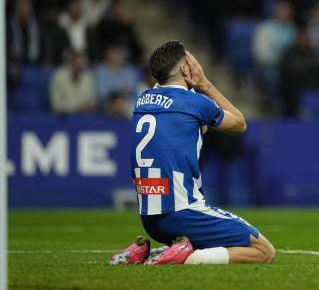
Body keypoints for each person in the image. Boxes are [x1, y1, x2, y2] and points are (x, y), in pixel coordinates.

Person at [110, 41, 275, 265]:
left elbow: (185, 125)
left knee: (208, 240)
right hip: (183, 213)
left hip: (150, 219)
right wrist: (204, 83)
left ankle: (147, 252)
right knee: (263, 250)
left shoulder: (142, 102)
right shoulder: (194, 102)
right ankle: (186, 257)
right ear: (187, 69)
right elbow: (239, 124)